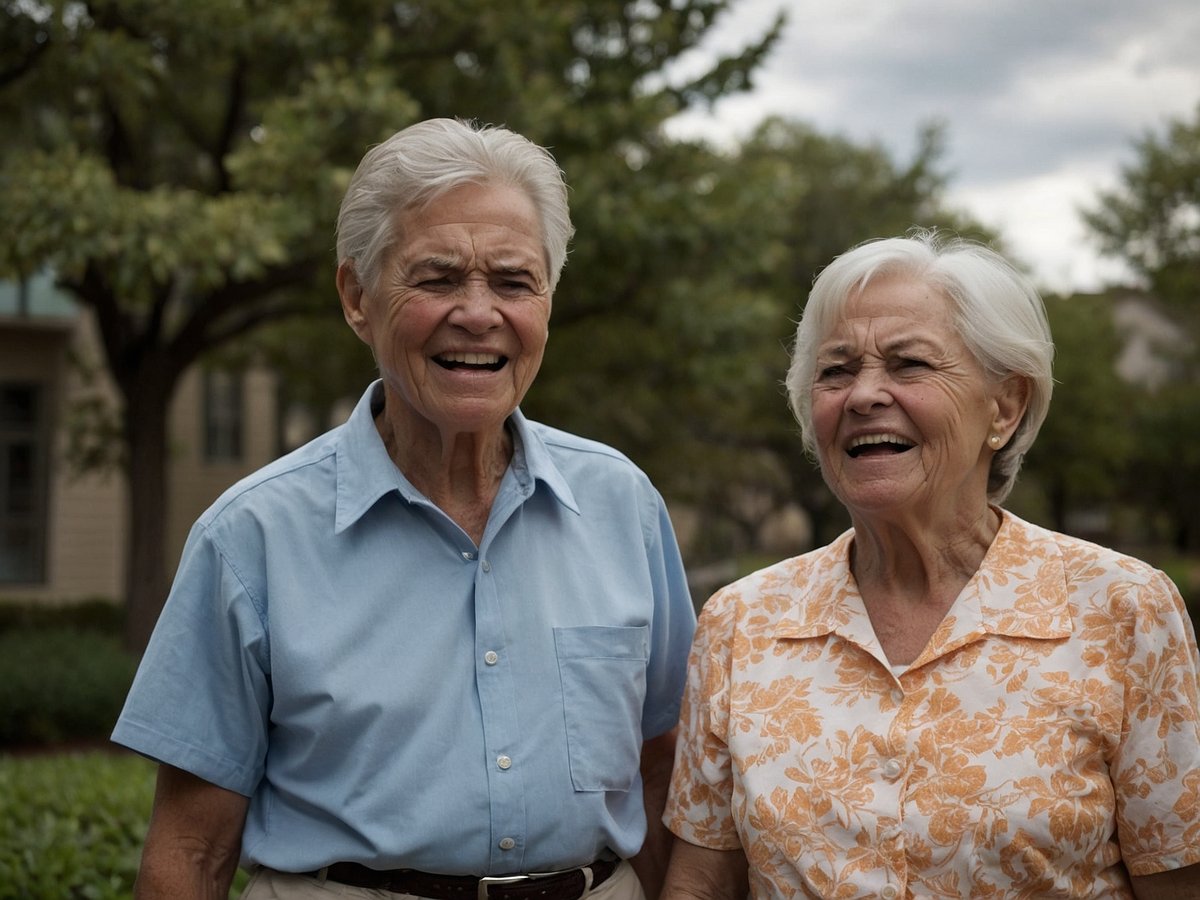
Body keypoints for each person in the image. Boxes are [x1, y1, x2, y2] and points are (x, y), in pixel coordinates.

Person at [113, 118, 696, 900]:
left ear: (548, 303)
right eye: (439, 277)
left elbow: (666, 773)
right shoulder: (251, 536)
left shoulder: (623, 504)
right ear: (357, 297)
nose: (479, 313)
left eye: (514, 281)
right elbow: (190, 848)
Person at [660, 231, 1200, 899]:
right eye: (835, 370)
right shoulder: (742, 622)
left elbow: (1176, 878)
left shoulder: (1121, 609)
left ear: (1004, 407)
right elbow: (700, 880)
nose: (863, 395)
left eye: (909, 364)